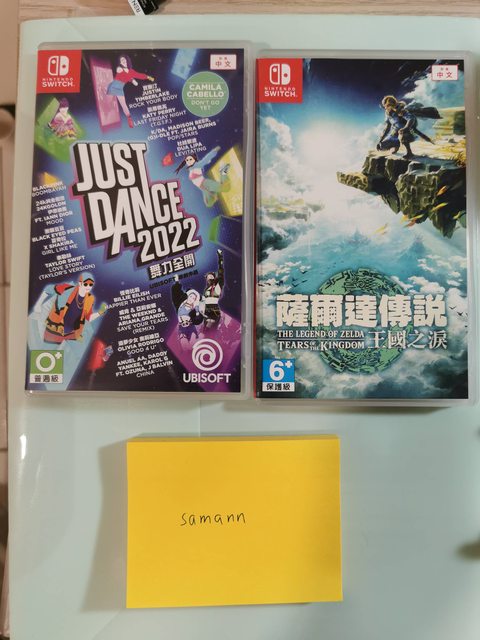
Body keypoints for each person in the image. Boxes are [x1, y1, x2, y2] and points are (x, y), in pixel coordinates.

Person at [34, 272, 107, 343]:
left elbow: (87, 318)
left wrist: (100, 313)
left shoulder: (90, 299)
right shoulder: (67, 288)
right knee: (47, 345)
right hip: (55, 329)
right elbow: (48, 289)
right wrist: (38, 304)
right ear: (80, 283)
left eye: (91, 284)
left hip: (70, 335)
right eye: (86, 284)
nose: (88, 287)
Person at [107, 54, 154, 128]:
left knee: (124, 105)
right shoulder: (119, 68)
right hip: (113, 87)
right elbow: (120, 72)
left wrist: (148, 77)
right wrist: (131, 80)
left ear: (127, 60)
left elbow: (139, 75)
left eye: (124, 59)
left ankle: (129, 119)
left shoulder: (131, 71)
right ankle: (109, 108)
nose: (123, 61)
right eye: (121, 60)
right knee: (107, 102)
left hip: (119, 89)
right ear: (120, 63)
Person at [171, 277, 204, 350]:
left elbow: (198, 320)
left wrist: (198, 315)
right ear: (187, 296)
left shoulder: (194, 309)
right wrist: (177, 282)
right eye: (190, 296)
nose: (191, 298)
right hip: (182, 328)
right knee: (185, 346)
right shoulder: (179, 304)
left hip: (191, 327)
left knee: (193, 346)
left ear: (195, 300)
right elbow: (175, 295)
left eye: (193, 298)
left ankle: (199, 339)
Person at [202, 249, 224, 331]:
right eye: (208, 276)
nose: (210, 277)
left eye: (211, 276)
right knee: (205, 329)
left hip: (213, 309)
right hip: (206, 309)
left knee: (209, 329)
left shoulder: (218, 284)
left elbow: (221, 272)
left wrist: (220, 257)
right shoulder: (206, 288)